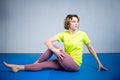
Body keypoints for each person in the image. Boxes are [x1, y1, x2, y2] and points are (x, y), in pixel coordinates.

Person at [3, 14, 108, 73]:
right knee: (44, 64)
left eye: (77, 21)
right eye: (73, 21)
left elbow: (90, 48)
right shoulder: (63, 34)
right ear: (68, 23)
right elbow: (46, 41)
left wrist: (99, 63)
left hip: (74, 65)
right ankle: (17, 67)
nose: (76, 23)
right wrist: (55, 51)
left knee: (53, 47)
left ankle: (35, 63)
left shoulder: (83, 34)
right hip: (65, 61)